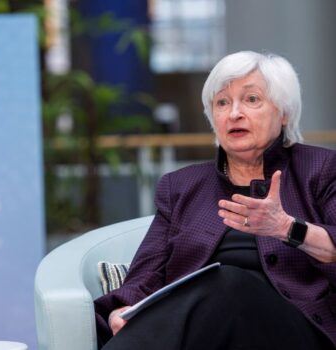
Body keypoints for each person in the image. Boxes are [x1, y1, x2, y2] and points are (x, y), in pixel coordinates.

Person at [94, 51, 336, 350]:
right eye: (222, 103)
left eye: (251, 99)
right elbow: (148, 271)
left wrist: (286, 228)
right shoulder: (182, 186)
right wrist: (123, 308)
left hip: (297, 330)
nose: (234, 113)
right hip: (205, 333)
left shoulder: (321, 169)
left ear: (283, 112)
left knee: (227, 284)